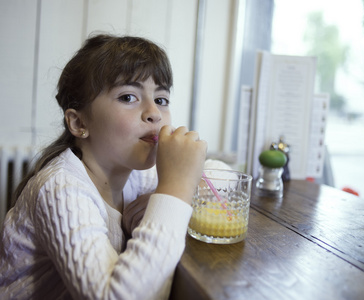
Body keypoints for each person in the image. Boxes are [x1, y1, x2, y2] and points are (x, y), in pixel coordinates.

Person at [0, 34, 210, 299]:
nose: (154, 113)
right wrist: (175, 190)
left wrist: (169, 193)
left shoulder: (134, 175)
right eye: (128, 97)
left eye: (161, 99)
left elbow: (218, 173)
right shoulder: (60, 188)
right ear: (79, 124)